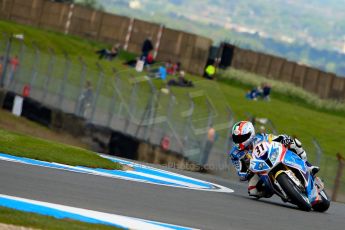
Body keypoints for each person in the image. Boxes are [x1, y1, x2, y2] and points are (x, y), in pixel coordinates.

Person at [229, 120, 319, 198]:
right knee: (253, 191)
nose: (239, 140)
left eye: (241, 137)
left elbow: (276, 138)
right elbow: (240, 173)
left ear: (250, 133)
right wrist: (246, 173)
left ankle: (308, 166)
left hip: (273, 159)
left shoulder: (261, 137)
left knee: (294, 143)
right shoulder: (234, 154)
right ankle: (276, 188)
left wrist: (284, 139)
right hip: (257, 171)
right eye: (237, 138)